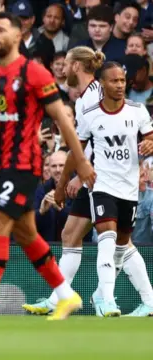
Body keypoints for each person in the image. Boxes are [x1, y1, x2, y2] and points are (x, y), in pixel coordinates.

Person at [0, 12, 95, 321]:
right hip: (1, 164)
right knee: (26, 234)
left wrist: (80, 161)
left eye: (2, 30)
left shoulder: (34, 73)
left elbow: (62, 119)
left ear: (17, 36)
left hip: (24, 164)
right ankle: (67, 296)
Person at [24, 47, 153, 317]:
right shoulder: (87, 98)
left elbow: (91, 145)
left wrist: (79, 178)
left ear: (75, 66)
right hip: (97, 178)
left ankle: (131, 297)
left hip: (100, 177)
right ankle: (60, 297)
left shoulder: (94, 96)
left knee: (118, 241)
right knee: (71, 235)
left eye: (66, 63)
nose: (61, 70)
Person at [74, 62, 153, 316]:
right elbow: (77, 149)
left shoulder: (138, 111)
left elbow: (150, 137)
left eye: (122, 80)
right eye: (114, 81)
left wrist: (151, 144)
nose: (119, 85)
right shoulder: (90, 113)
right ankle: (107, 300)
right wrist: (73, 177)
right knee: (106, 239)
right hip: (102, 185)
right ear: (102, 84)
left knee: (122, 246)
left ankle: (145, 300)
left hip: (129, 188)